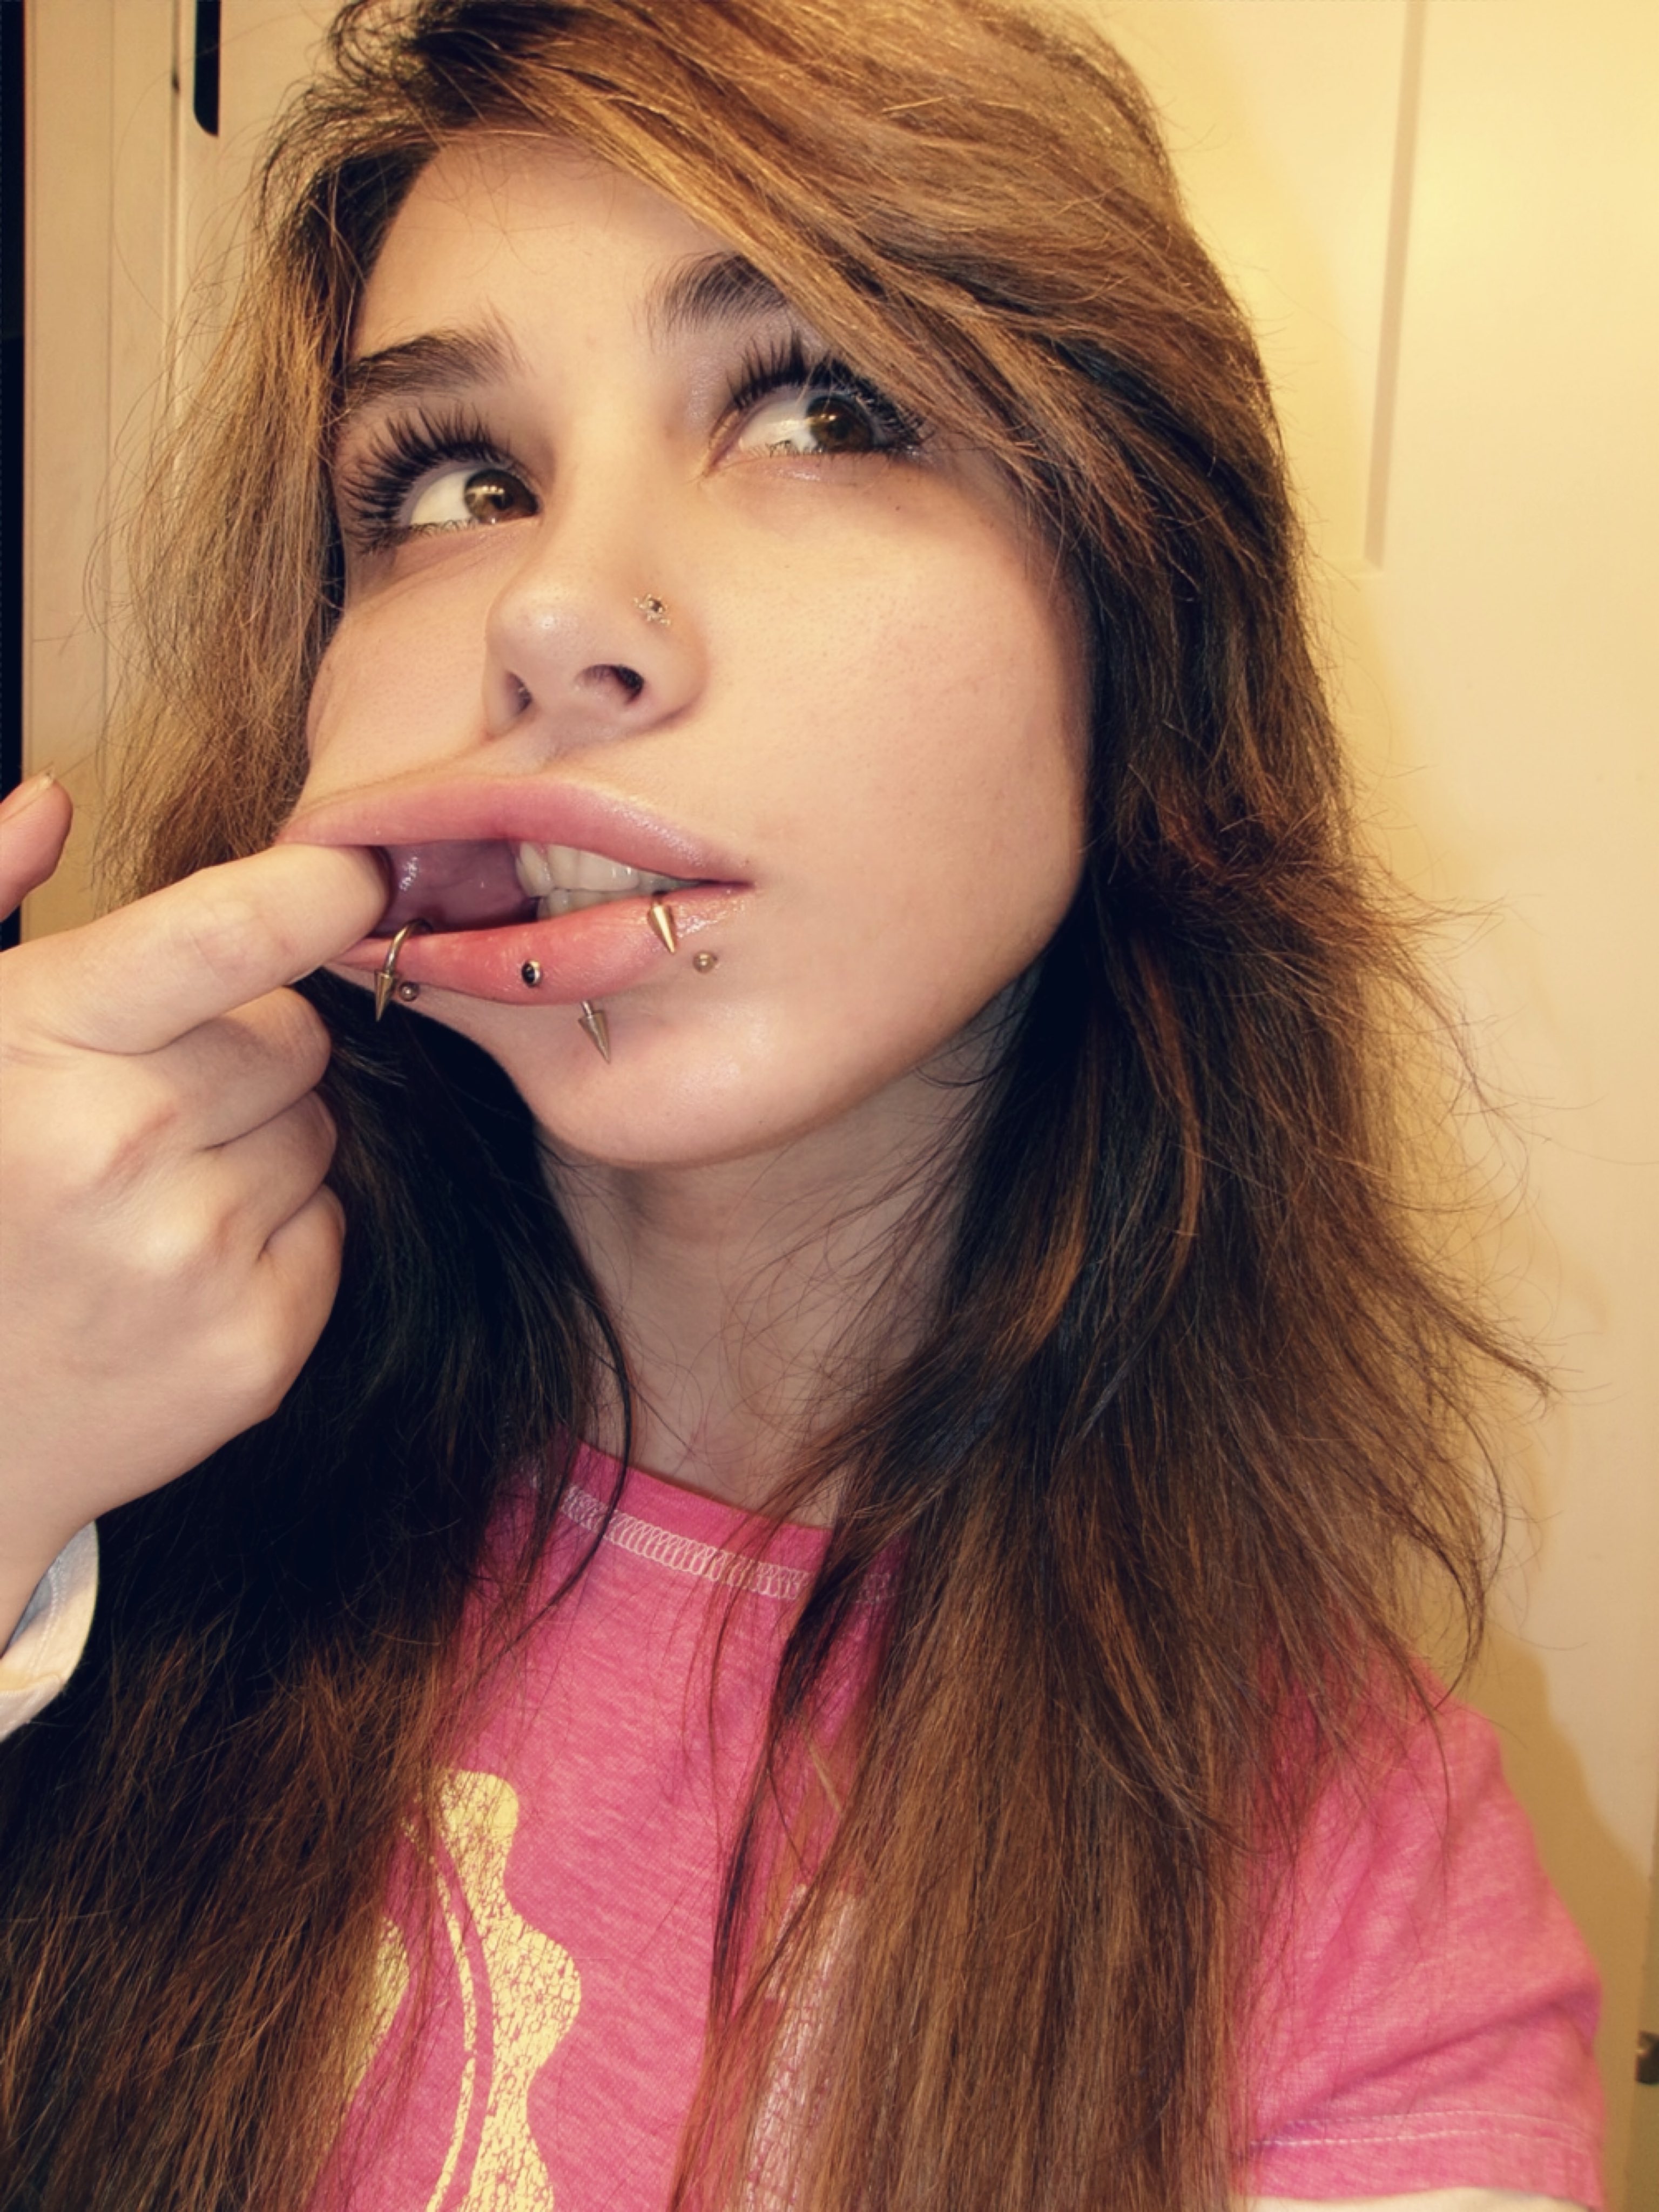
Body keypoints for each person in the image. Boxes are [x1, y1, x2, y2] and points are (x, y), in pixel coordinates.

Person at [0, 1, 1605, 2207]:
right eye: (455, 483)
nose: (556, 609)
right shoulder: (97, 1469)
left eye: (822, 409)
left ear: (1139, 626)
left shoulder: (1357, 1898)